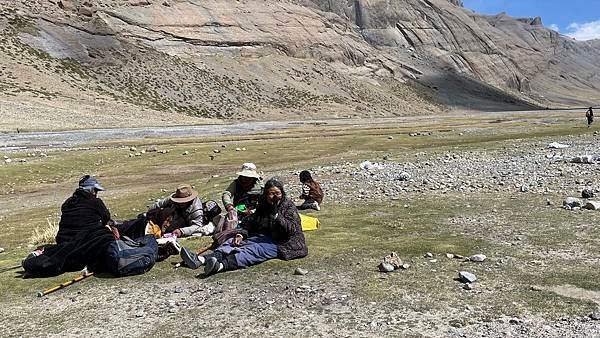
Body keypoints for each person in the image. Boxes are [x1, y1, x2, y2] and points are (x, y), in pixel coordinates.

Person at [181, 178, 307, 275]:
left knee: (255, 250)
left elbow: (291, 229)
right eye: (271, 194)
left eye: (278, 193)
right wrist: (241, 234)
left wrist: (276, 215)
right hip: (267, 235)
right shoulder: (264, 204)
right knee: (233, 241)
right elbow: (251, 221)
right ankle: (202, 260)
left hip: (285, 242)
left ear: (282, 193)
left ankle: (220, 266)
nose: (275, 197)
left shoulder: (288, 206)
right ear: (266, 194)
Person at [55, 175, 112, 244]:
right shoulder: (95, 202)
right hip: (85, 241)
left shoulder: (67, 203)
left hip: (62, 240)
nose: (96, 193)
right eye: (96, 190)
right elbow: (106, 218)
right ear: (91, 190)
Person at [147, 184, 212, 238]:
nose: (180, 203)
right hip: (167, 219)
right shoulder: (174, 198)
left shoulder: (196, 209)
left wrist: (181, 231)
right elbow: (157, 205)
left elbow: (197, 226)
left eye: (183, 201)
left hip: (180, 224)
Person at [221, 162, 264, 228]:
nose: (246, 180)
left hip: (255, 213)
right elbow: (226, 194)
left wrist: (252, 212)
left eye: (249, 178)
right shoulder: (236, 183)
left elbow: (264, 201)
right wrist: (229, 205)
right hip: (237, 212)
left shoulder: (260, 186)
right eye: (245, 177)